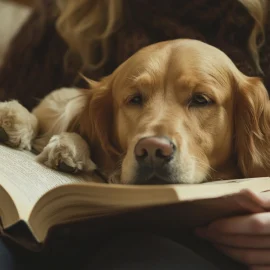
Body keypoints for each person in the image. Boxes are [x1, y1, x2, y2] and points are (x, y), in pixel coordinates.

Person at [0, 0, 269, 269]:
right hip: (48, 233)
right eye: (135, 100)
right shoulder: (58, 17)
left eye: (200, 100)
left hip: (211, 245)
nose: (154, 141)